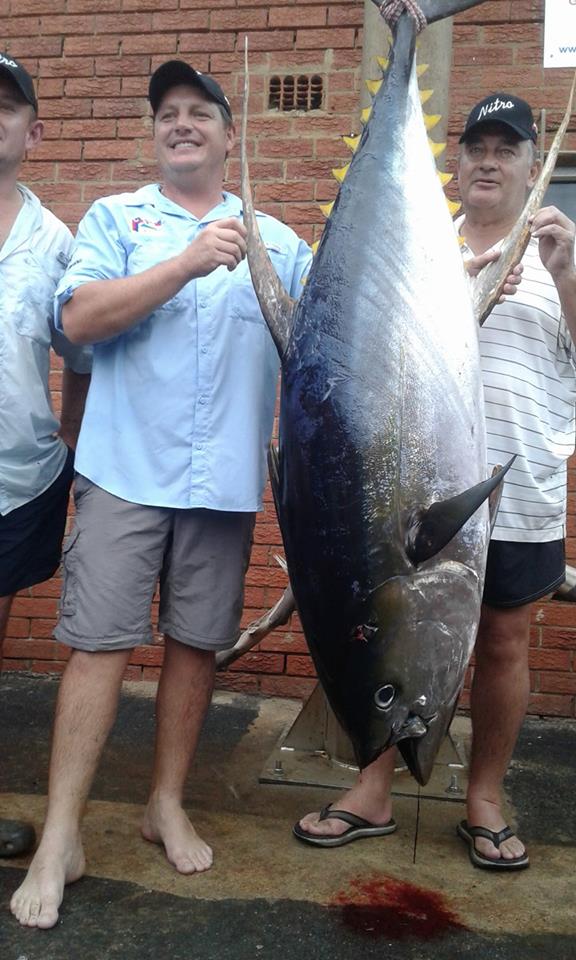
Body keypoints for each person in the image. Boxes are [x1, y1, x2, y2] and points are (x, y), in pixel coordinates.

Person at [9, 59, 311, 929]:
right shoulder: (116, 219)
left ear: (228, 132)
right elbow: (77, 321)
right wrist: (182, 266)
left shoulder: (277, 239)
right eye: (167, 114)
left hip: (221, 484)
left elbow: (325, 339)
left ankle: (164, 802)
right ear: (156, 135)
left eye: (199, 113)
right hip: (122, 472)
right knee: (99, 645)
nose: (181, 124)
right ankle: (61, 832)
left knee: (194, 646)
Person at [294, 93, 576, 871]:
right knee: (386, 626)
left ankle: (483, 797)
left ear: (531, 166)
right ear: (456, 164)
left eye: (506, 149)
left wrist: (562, 271)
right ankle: (373, 787)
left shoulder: (565, 255)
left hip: (519, 484)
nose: (488, 161)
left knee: (506, 644)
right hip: (415, 490)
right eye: (475, 147)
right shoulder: (421, 245)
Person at [0, 56, 91, 859]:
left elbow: (79, 352)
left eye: (5, 107)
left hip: (15, 477)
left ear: (35, 131)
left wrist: (68, 434)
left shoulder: (56, 241)